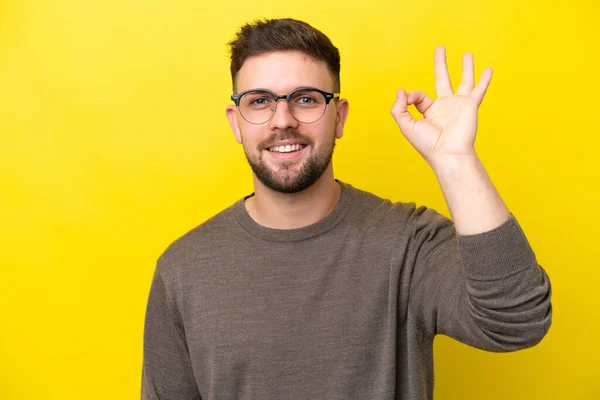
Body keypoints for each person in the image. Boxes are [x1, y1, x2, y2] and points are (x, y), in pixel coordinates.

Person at [141, 18, 552, 400]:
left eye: (305, 99)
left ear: (339, 117)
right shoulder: (183, 268)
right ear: (236, 121)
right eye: (260, 101)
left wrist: (457, 160)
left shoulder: (408, 243)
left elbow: (518, 321)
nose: (282, 120)